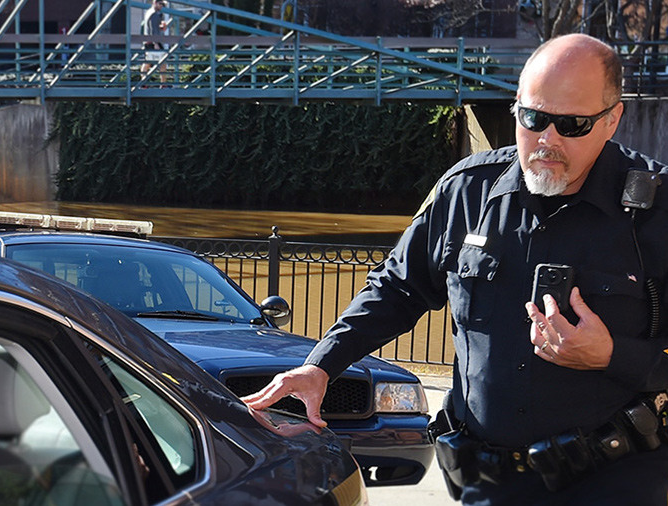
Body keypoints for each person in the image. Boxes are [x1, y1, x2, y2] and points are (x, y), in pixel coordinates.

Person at [243, 33, 668, 505]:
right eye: (534, 118)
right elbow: (398, 289)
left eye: (571, 124)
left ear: (612, 120)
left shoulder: (657, 210)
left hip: (619, 483)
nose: (547, 140)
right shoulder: (466, 191)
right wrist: (321, 366)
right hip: (489, 484)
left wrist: (612, 354)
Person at [141, 0, 170, 83]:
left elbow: (154, 28)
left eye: (163, 5)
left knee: (148, 63)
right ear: (155, 3)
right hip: (154, 42)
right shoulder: (154, 13)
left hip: (150, 42)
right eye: (160, 4)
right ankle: (163, 84)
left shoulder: (149, 12)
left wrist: (161, 27)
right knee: (162, 63)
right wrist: (156, 43)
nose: (161, 6)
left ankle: (143, 83)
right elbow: (153, 30)